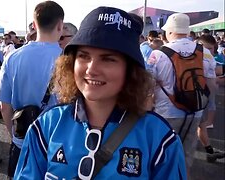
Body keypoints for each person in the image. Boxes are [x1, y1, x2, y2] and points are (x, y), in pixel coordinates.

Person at [14, 6, 186, 179]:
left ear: (130, 69)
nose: (91, 69)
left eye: (108, 59)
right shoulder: (47, 125)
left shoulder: (159, 138)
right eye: (84, 56)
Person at [0, 1, 64, 178]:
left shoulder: (12, 58)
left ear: (34, 25)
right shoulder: (68, 60)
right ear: (60, 25)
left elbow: (4, 105)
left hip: (22, 138)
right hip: (58, 143)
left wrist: (13, 136)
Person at [147, 13, 216, 178]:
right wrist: (206, 109)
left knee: (159, 155)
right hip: (194, 112)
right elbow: (212, 85)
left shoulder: (158, 54)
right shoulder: (204, 52)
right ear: (187, 30)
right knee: (185, 156)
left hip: (165, 114)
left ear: (169, 32)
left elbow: (148, 85)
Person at [196, 34, 225, 162]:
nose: (210, 52)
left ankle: (209, 151)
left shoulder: (205, 57)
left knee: (201, 125)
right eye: (208, 48)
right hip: (187, 101)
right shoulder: (202, 56)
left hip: (197, 100)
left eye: (212, 49)